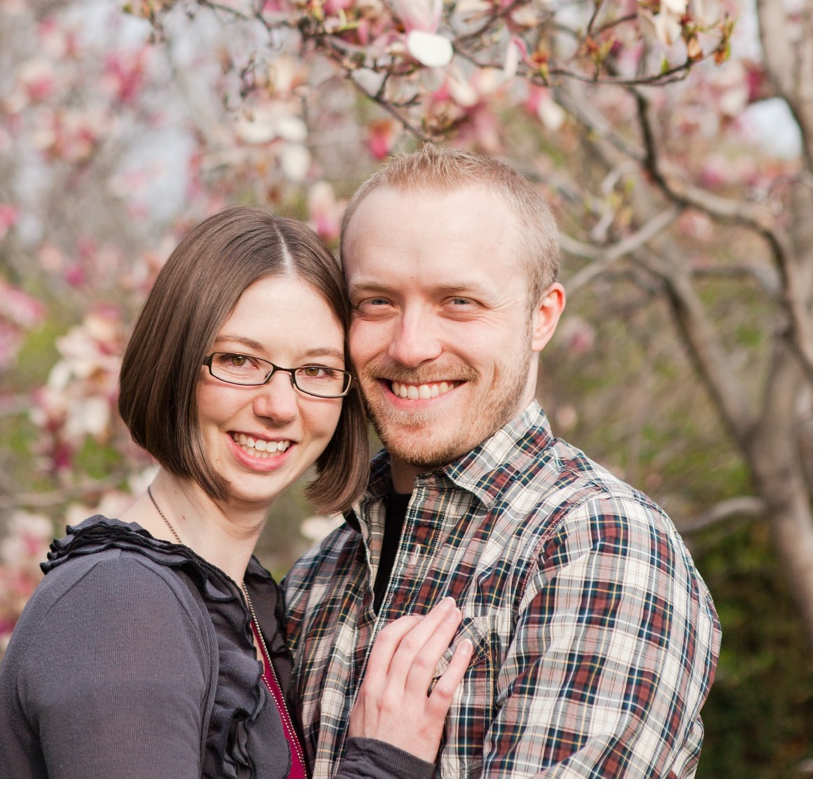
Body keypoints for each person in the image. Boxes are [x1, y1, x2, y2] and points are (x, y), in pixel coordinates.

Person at [0, 207, 472, 778]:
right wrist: (381, 767)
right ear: (173, 363)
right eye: (239, 360)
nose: (278, 406)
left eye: (316, 370)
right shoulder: (122, 607)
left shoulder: (239, 599)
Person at [284, 147, 721, 777]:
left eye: (458, 302)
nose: (411, 347)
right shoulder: (314, 580)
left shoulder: (598, 545)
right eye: (376, 302)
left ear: (541, 317)